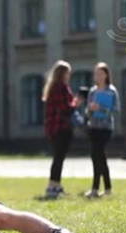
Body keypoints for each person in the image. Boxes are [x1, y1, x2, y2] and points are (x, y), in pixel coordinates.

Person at [42, 60, 82, 198]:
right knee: (59, 158)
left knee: (58, 158)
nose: (69, 75)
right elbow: (66, 109)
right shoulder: (61, 87)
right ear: (63, 73)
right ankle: (52, 187)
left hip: (53, 128)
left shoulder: (53, 87)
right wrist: (76, 103)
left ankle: (56, 185)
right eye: (68, 72)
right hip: (61, 128)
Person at [84, 62, 120, 198]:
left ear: (106, 75)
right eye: (96, 74)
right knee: (98, 157)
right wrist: (90, 109)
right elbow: (87, 112)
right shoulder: (92, 91)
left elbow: (116, 110)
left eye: (100, 73)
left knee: (98, 155)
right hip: (93, 127)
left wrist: (102, 109)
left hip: (105, 128)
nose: (97, 76)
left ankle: (95, 189)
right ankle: (107, 189)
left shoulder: (112, 91)